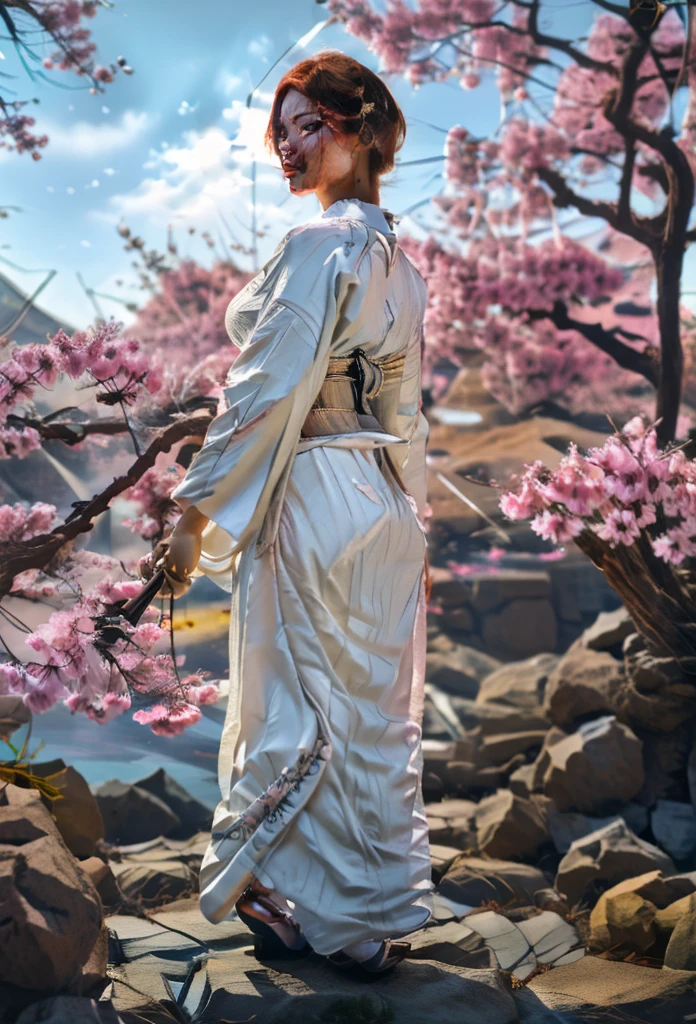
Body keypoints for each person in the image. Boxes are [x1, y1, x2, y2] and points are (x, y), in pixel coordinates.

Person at [157, 50, 434, 974]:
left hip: (314, 488)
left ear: (356, 127)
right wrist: (413, 512)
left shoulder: (318, 246)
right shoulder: (401, 263)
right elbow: (408, 413)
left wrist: (195, 510)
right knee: (366, 717)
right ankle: (364, 919)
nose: (287, 146)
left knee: (290, 708)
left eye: (305, 125)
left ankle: (309, 906)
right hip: (384, 499)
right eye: (279, 132)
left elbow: (265, 387)